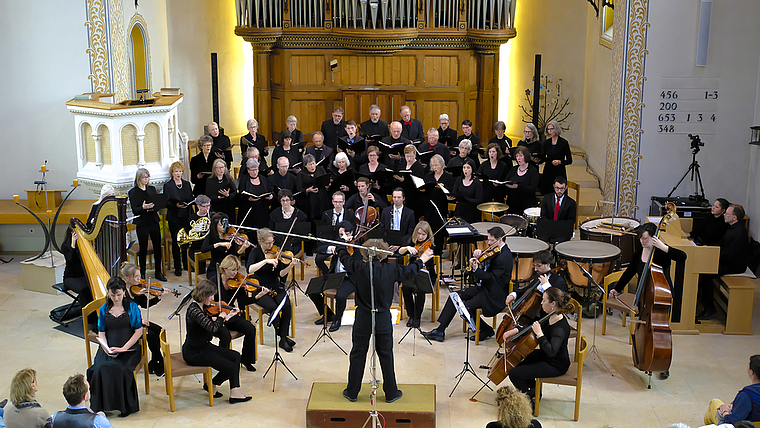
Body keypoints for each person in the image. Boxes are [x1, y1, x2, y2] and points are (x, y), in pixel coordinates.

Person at [336, 236, 434, 403]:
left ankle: (352, 392)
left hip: (363, 317)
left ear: (365, 255)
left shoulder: (359, 267)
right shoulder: (391, 270)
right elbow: (409, 270)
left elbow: (344, 256)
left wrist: (342, 242)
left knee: (358, 353)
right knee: (386, 354)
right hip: (382, 317)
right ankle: (391, 392)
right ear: (383, 255)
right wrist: (422, 259)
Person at [609, 222, 686, 378]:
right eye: (640, 238)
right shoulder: (638, 254)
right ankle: (644, 356)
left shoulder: (661, 253)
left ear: (654, 238)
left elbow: (682, 257)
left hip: (660, 296)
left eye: (644, 238)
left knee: (661, 331)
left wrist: (664, 247)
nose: (641, 242)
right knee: (644, 327)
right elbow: (630, 272)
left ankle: (663, 364)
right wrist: (617, 288)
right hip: (644, 296)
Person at [424, 227, 512, 342]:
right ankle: (440, 331)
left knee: (465, 307)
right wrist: (478, 260)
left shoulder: (503, 257)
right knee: (454, 296)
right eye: (488, 239)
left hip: (494, 294)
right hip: (485, 288)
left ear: (500, 239)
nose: (488, 243)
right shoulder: (495, 251)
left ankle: (486, 330)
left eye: (491, 240)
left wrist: (477, 269)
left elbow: (491, 279)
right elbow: (486, 271)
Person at [182, 280, 252, 403]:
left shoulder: (203, 307)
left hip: (204, 347)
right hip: (194, 352)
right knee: (231, 367)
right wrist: (221, 317)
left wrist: (228, 316)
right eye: (211, 295)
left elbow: (214, 327)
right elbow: (212, 328)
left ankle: (233, 391)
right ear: (203, 295)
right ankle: (211, 384)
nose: (213, 299)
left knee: (235, 357)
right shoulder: (194, 311)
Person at [504, 288, 572, 405]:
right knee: (520, 361)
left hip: (556, 364)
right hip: (546, 356)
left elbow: (552, 352)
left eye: (544, 301)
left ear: (553, 304)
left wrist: (540, 334)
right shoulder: (551, 316)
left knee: (514, 373)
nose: (541, 303)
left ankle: (527, 401)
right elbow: (532, 327)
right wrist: (514, 331)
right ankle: (533, 391)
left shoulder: (559, 328)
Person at [86, 277, 142, 417]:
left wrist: (123, 349)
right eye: (112, 295)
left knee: (121, 369)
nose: (116, 298)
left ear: (124, 292)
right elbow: (102, 332)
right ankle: (102, 406)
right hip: (108, 347)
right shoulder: (104, 308)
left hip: (129, 348)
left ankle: (124, 407)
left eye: (119, 295)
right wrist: (106, 349)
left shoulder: (132, 307)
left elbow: (138, 331)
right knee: (99, 368)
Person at [246, 229, 296, 352]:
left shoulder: (276, 252)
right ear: (260, 242)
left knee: (286, 305)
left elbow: (280, 274)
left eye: (272, 242)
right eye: (268, 243)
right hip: (260, 288)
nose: (271, 246)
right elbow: (249, 270)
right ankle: (282, 335)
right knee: (273, 307)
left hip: (275, 285)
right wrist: (265, 261)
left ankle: (283, 338)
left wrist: (290, 266)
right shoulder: (255, 253)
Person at [308, 221, 363, 332]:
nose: (342, 237)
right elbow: (319, 249)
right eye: (340, 235)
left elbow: (355, 267)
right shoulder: (337, 244)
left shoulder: (356, 247)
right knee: (312, 290)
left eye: (345, 234)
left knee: (341, 296)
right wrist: (331, 249)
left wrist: (342, 248)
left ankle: (337, 319)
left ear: (351, 233)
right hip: (335, 276)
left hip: (349, 278)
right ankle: (328, 315)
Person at [699, 204, 750, 319]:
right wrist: (708, 249)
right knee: (704, 268)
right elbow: (721, 243)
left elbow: (730, 254)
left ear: (735, 218)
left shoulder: (740, 233)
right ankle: (703, 299)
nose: (725, 215)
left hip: (735, 265)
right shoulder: (731, 227)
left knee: (707, 272)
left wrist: (711, 255)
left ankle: (709, 307)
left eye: (727, 213)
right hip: (727, 259)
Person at [120, 263, 169, 377]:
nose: (139, 279)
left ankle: (155, 361)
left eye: (139, 276)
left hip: (138, 322)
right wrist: (139, 322)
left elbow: (145, 304)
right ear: (126, 278)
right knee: (151, 334)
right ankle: (158, 362)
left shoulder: (138, 289)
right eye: (136, 277)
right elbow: (122, 316)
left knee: (158, 330)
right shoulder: (121, 294)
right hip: (127, 325)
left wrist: (159, 296)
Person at [215, 255, 260, 371]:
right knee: (225, 335)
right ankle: (222, 362)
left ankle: (246, 360)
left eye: (237, 270)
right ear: (224, 268)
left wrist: (258, 296)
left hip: (231, 315)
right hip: (216, 317)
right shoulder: (214, 282)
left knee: (250, 329)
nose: (235, 273)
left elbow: (243, 302)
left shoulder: (237, 283)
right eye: (232, 270)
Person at [128, 168, 166, 281]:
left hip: (153, 220)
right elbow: (135, 210)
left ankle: (158, 272)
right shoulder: (133, 192)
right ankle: (142, 273)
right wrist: (143, 208)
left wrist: (154, 206)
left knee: (157, 247)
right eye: (144, 177)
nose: (146, 179)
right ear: (139, 178)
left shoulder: (152, 189)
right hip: (142, 223)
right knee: (143, 248)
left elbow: (157, 204)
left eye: (148, 177)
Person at [397, 221, 437, 328]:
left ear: (428, 235)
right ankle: (411, 315)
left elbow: (426, 263)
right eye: (418, 234)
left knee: (420, 289)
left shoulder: (430, 246)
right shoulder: (412, 241)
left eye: (423, 235)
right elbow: (399, 252)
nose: (420, 237)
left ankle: (417, 317)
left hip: (427, 274)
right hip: (412, 273)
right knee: (405, 287)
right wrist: (407, 248)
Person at [704, 355, 760, 425]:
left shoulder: (746, 395)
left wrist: (725, 412)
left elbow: (732, 422)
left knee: (714, 404)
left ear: (752, 372)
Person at [200, 212, 251, 281]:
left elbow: (235, 255)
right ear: (215, 226)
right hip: (215, 269)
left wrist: (243, 248)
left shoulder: (231, 237)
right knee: (219, 282)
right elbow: (203, 249)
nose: (224, 227)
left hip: (229, 269)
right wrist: (218, 244)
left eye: (226, 224)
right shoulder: (210, 237)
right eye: (221, 225)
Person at [164, 161, 194, 276]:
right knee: (177, 242)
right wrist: (176, 205)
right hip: (175, 218)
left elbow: (190, 197)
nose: (178, 173)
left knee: (187, 241)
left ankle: (187, 264)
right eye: (176, 171)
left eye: (180, 171)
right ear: (172, 172)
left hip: (186, 216)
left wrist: (191, 202)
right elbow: (166, 202)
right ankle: (178, 267)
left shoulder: (186, 184)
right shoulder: (168, 185)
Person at [422, 154, 455, 255]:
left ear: (442, 165)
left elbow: (452, 191)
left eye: (436, 165)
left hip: (441, 207)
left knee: (438, 229)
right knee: (428, 228)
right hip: (429, 206)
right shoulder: (428, 176)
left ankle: (438, 252)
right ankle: (428, 250)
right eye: (433, 165)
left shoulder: (448, 177)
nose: (434, 168)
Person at [61, 226, 93, 311]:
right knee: (85, 289)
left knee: (93, 286)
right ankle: (88, 315)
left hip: (83, 276)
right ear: (72, 234)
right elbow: (72, 260)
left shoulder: (85, 245)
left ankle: (95, 311)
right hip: (71, 278)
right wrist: (73, 245)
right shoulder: (65, 246)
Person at [268, 189, 307, 256]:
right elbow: (271, 231)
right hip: (278, 244)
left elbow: (302, 234)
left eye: (287, 200)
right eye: (283, 200)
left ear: (291, 200)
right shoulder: (274, 214)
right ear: (280, 201)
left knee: (286, 255)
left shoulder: (300, 215)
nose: (285, 202)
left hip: (294, 245)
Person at [237, 158, 273, 229]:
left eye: (256, 169)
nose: (254, 172)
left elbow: (269, 191)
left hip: (262, 211)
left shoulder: (263, 178)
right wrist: (248, 199)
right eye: (252, 170)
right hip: (249, 211)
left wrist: (270, 196)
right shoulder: (244, 180)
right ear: (248, 170)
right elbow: (240, 196)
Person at [538, 120, 572, 195]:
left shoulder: (564, 143)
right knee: (547, 192)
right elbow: (543, 157)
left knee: (559, 192)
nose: (549, 131)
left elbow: (570, 160)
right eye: (548, 129)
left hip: (559, 171)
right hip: (548, 170)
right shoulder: (546, 143)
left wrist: (560, 162)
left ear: (556, 129)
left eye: (551, 129)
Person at [505, 146, 539, 215]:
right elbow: (506, 181)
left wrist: (518, 187)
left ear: (526, 156)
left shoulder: (533, 171)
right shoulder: (514, 169)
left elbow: (532, 189)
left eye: (520, 156)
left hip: (527, 205)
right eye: (517, 156)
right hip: (513, 204)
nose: (518, 158)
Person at [298, 154, 329, 222]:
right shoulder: (301, 174)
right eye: (310, 164)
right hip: (310, 201)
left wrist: (327, 185)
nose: (312, 166)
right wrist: (307, 190)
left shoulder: (320, 169)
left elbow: (325, 181)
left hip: (322, 199)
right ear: (305, 165)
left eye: (313, 163)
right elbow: (299, 189)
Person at [451, 158, 483, 224]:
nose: (465, 170)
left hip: (472, 210)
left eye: (468, 168)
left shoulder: (477, 183)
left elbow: (479, 200)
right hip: (460, 209)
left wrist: (466, 199)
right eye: (464, 167)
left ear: (472, 169)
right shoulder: (458, 179)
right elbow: (454, 192)